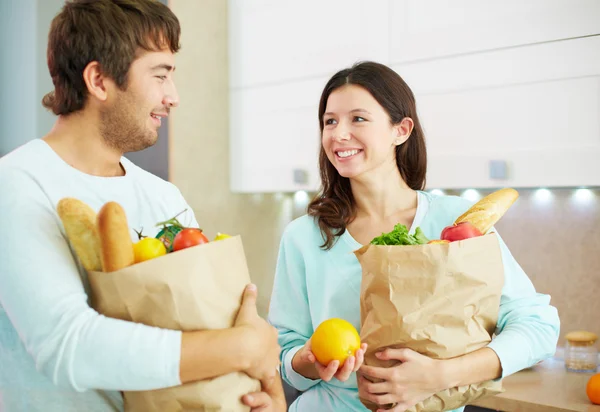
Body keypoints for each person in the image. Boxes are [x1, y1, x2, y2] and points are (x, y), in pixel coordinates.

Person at [0, 1, 284, 411]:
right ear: (99, 80)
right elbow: (66, 344)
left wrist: (266, 391)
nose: (174, 97)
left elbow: (207, 315)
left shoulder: (163, 196)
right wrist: (239, 348)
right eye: (161, 75)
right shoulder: (19, 183)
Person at [268, 61, 560, 411]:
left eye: (357, 119)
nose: (338, 134)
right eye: (330, 121)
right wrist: (308, 360)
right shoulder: (303, 236)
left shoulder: (455, 222)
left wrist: (442, 375)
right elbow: (287, 360)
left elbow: (538, 326)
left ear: (401, 130)